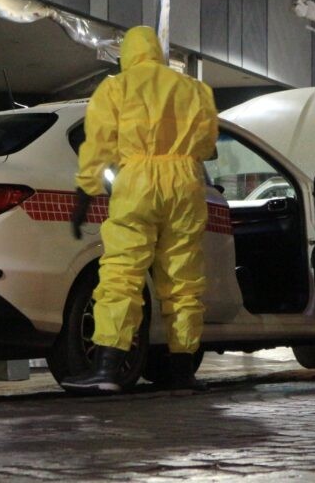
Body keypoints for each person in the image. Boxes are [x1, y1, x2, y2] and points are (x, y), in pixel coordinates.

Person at [62, 25, 218, 394]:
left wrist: (85, 191)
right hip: (185, 181)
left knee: (121, 274)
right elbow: (208, 143)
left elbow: (99, 142)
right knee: (183, 279)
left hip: (137, 182)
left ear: (127, 55)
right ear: (158, 53)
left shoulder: (117, 87)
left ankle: (106, 369)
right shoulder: (195, 89)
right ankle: (182, 372)